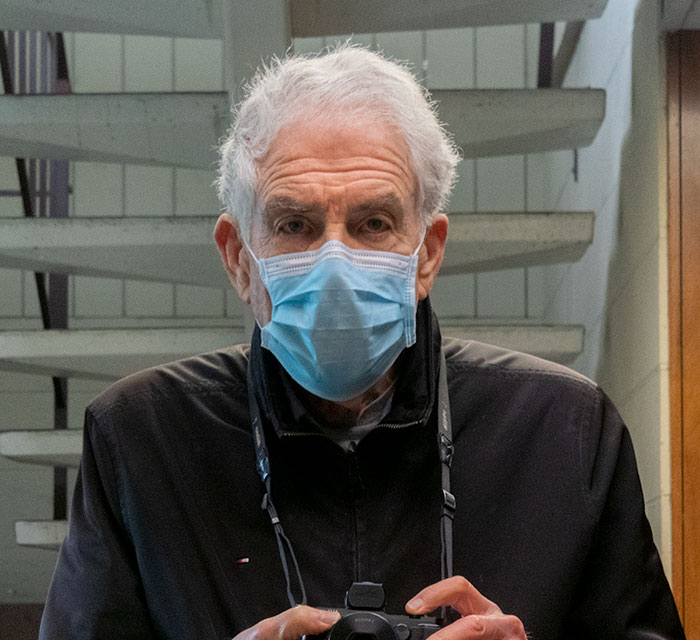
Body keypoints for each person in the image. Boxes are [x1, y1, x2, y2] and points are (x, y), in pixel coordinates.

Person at [40, 45, 684, 640]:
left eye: (373, 223)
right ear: (238, 258)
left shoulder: (564, 432)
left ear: (427, 253)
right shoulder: (141, 442)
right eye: (294, 224)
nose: (335, 265)